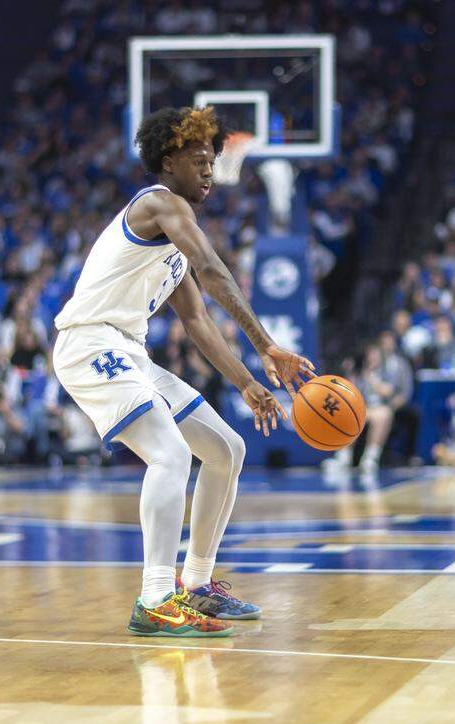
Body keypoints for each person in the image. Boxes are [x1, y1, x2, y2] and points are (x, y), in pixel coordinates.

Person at [52, 106, 315, 637]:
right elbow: (213, 271)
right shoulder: (159, 205)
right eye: (199, 161)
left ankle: (195, 585)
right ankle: (155, 598)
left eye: (213, 163)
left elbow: (197, 320)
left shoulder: (170, 240)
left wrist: (247, 382)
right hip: (89, 342)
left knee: (227, 450)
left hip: (128, 350)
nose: (210, 172)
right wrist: (266, 345)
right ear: (168, 161)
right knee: (170, 454)